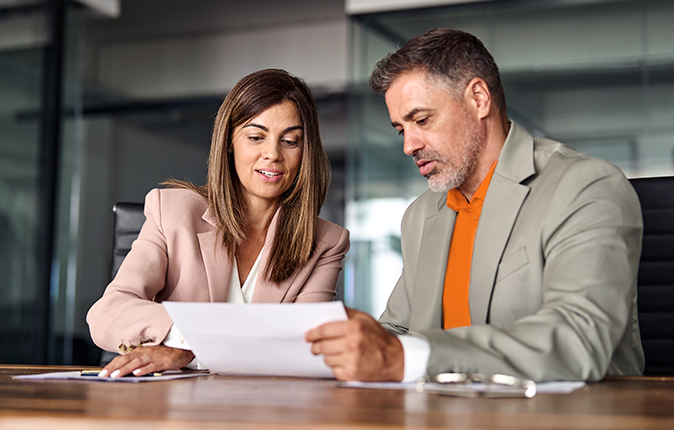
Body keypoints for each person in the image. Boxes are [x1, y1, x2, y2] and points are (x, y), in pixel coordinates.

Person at [306, 28, 644, 383]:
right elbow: (398, 332)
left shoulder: (584, 186)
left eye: (421, 120)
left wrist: (408, 356)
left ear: (479, 98)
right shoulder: (421, 216)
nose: (409, 145)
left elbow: (579, 339)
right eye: (400, 129)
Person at [88, 68, 350, 378]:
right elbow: (108, 313)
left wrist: (193, 348)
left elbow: (307, 348)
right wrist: (184, 341)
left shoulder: (326, 242)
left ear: (306, 152)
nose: (272, 154)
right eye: (255, 137)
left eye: (290, 141)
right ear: (229, 142)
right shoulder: (171, 211)